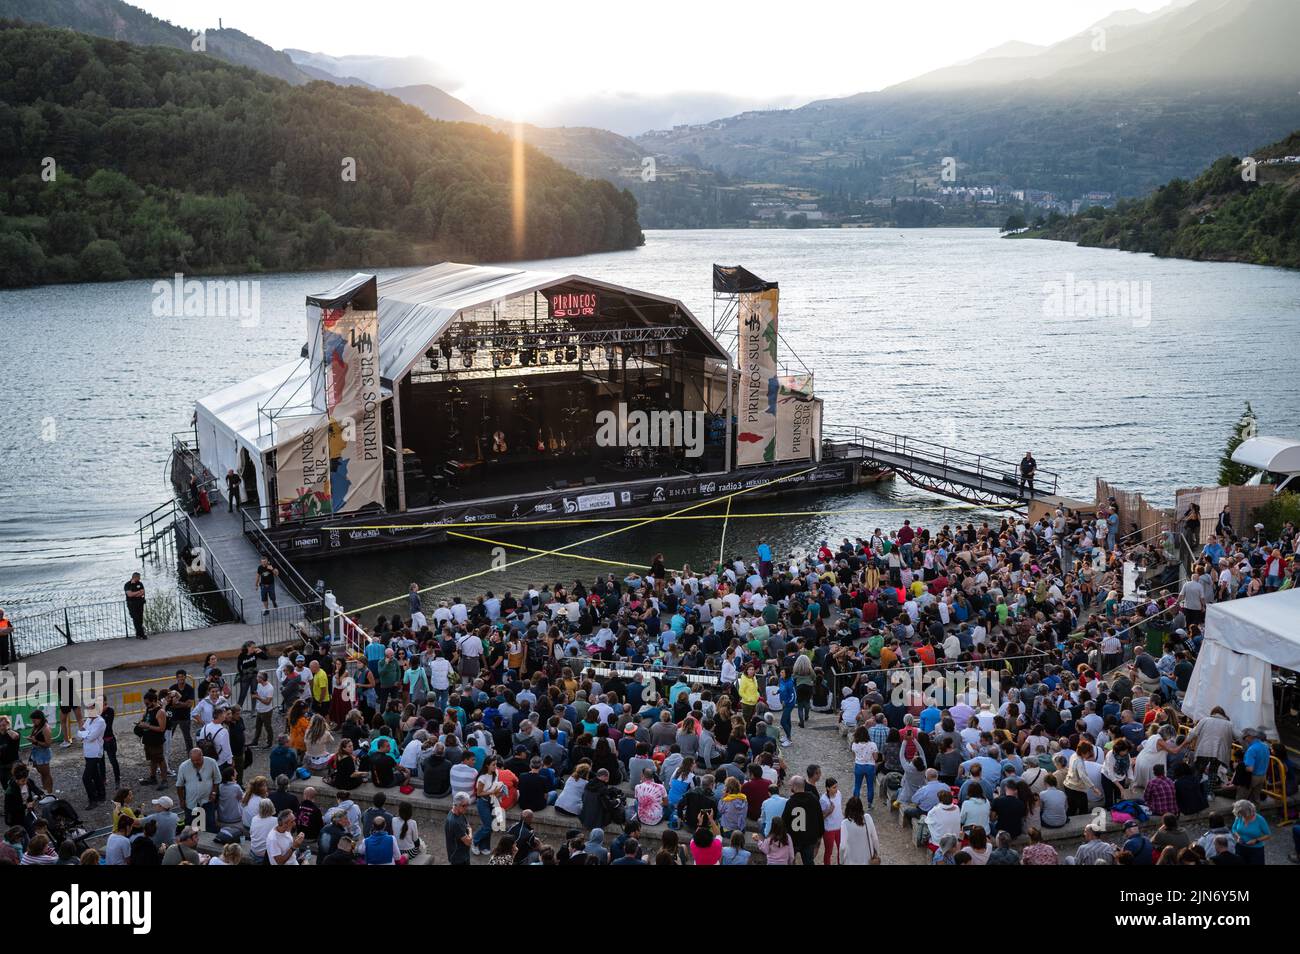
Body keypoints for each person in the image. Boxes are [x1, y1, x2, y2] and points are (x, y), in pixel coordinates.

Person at [839, 796, 880, 865]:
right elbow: (875, 839)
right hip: (868, 859)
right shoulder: (867, 818)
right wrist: (877, 854)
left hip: (851, 861)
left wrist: (841, 861)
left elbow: (843, 846)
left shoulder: (845, 823)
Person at [445, 791, 473, 865]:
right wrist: (470, 832)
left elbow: (467, 824)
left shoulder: (459, 813)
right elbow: (468, 842)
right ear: (456, 804)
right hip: (458, 858)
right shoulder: (455, 822)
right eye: (464, 805)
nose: (466, 807)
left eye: (467, 805)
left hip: (462, 854)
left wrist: (468, 830)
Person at [124, 572, 147, 639]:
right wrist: (138, 592)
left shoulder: (140, 583)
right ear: (135, 577)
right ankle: (141, 634)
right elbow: (129, 594)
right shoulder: (127, 585)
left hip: (140, 603)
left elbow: (142, 593)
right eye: (139, 577)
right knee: (136, 618)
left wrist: (135, 594)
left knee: (140, 619)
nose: (140, 578)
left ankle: (138, 634)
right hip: (132, 604)